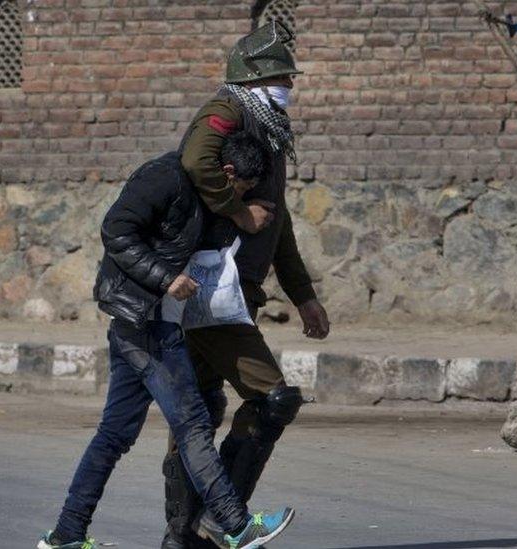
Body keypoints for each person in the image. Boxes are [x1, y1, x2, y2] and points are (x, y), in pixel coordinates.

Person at [37, 133, 295, 549]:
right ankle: (236, 525)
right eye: (241, 190)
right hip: (146, 320)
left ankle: (66, 534)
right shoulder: (164, 177)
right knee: (193, 422)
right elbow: (116, 229)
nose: (238, 199)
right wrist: (165, 278)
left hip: (148, 321)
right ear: (227, 173)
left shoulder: (206, 196)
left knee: (114, 434)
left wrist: (246, 217)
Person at [161, 21, 331, 549]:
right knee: (273, 398)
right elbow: (195, 161)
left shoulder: (269, 128)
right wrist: (236, 211)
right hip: (211, 290)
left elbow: (275, 223)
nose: (288, 86)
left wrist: (302, 294)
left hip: (239, 291)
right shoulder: (232, 111)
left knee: (200, 411)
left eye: (290, 77)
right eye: (279, 76)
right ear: (253, 76)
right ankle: (220, 521)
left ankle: (184, 536)